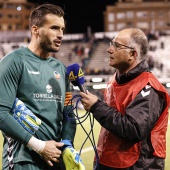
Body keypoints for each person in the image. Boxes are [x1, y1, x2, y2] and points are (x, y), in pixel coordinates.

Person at [80, 28, 170, 170]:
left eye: (117, 45)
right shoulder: (113, 81)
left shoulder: (148, 86)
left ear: (132, 54)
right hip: (109, 161)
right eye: (111, 44)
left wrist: (96, 107)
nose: (109, 49)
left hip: (136, 165)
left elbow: (134, 129)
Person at [0, 4, 76, 170]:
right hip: (23, 161)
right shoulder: (14, 62)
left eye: (62, 29)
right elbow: (1, 113)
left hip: (55, 160)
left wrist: (67, 145)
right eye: (54, 28)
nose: (61, 35)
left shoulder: (61, 70)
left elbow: (69, 114)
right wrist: (39, 146)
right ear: (35, 30)